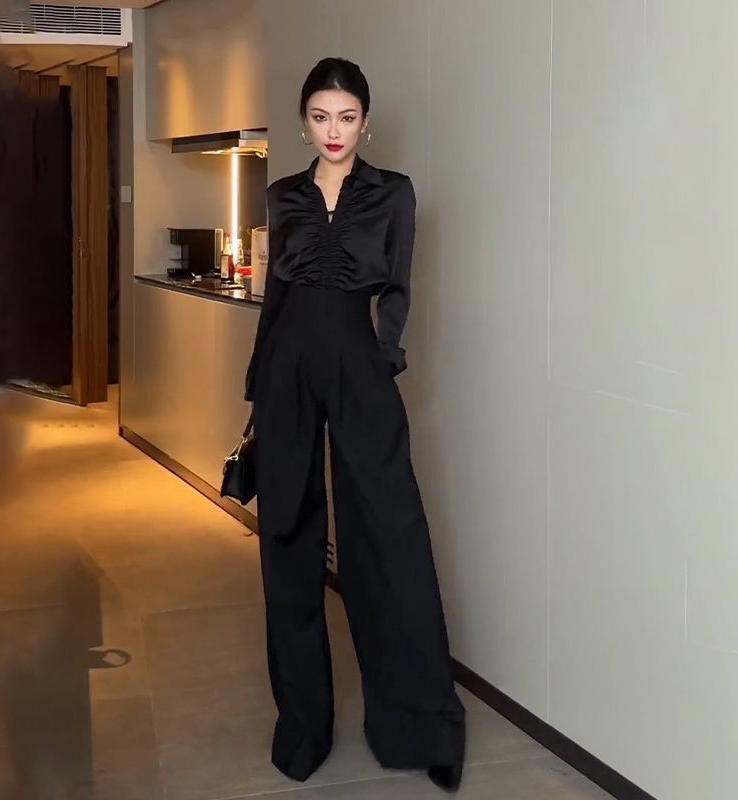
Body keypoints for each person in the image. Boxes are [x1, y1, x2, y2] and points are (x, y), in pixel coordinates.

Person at [244, 57, 466, 792]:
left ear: (365, 122)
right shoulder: (283, 194)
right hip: (286, 370)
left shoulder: (392, 192)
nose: (332, 131)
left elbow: (398, 288)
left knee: (390, 536)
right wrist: (257, 387)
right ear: (304, 121)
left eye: (345, 117)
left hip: (358, 366)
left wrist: (382, 360)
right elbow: (275, 299)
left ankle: (421, 726)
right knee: (287, 538)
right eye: (319, 117)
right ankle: (303, 728)